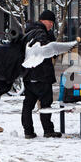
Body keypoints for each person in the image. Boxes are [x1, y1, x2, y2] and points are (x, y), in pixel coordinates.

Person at [21, 10, 62, 139]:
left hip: (29, 74)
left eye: (52, 23)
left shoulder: (29, 31)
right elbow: (47, 50)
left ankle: (28, 131)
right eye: (50, 22)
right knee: (45, 103)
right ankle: (48, 130)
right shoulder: (41, 33)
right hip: (41, 74)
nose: (51, 25)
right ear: (43, 20)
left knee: (28, 103)